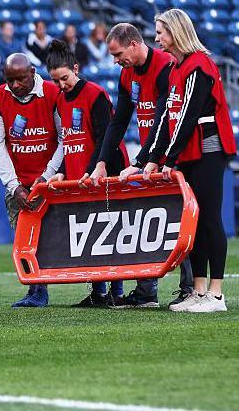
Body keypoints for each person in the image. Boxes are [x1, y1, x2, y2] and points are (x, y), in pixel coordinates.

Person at [87, 22, 189, 309]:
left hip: (170, 156)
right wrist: (101, 162)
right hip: (150, 160)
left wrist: (143, 160)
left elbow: (162, 121)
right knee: (147, 220)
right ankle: (146, 292)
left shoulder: (165, 66)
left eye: (118, 53)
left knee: (180, 222)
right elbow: (118, 121)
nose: (115, 60)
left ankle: (190, 288)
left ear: (134, 43)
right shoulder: (126, 75)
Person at [144, 8, 236, 313]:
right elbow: (165, 119)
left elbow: (188, 117)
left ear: (177, 32)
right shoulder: (173, 69)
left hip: (208, 149)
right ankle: (198, 291)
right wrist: (154, 158)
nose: (157, 38)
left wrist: (167, 159)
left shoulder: (200, 65)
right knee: (194, 224)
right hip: (186, 151)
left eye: (161, 32)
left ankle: (217, 294)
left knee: (210, 218)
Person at [44, 39, 129, 308]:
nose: (61, 85)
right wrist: (60, 171)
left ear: (76, 69)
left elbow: (106, 138)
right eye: (56, 81)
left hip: (106, 173)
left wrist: (95, 168)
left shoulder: (95, 94)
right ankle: (99, 292)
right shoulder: (60, 100)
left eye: (64, 78)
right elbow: (68, 141)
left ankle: (117, 291)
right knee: (91, 235)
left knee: (111, 233)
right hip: (81, 178)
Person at [0, 53, 63, 308]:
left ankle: (98, 288)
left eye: (20, 79)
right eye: (10, 81)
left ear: (32, 72)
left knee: (68, 234)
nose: (15, 86)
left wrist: (46, 177)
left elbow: (65, 139)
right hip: (18, 183)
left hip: (53, 180)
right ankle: (36, 291)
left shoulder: (53, 93)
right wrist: (14, 185)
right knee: (24, 239)